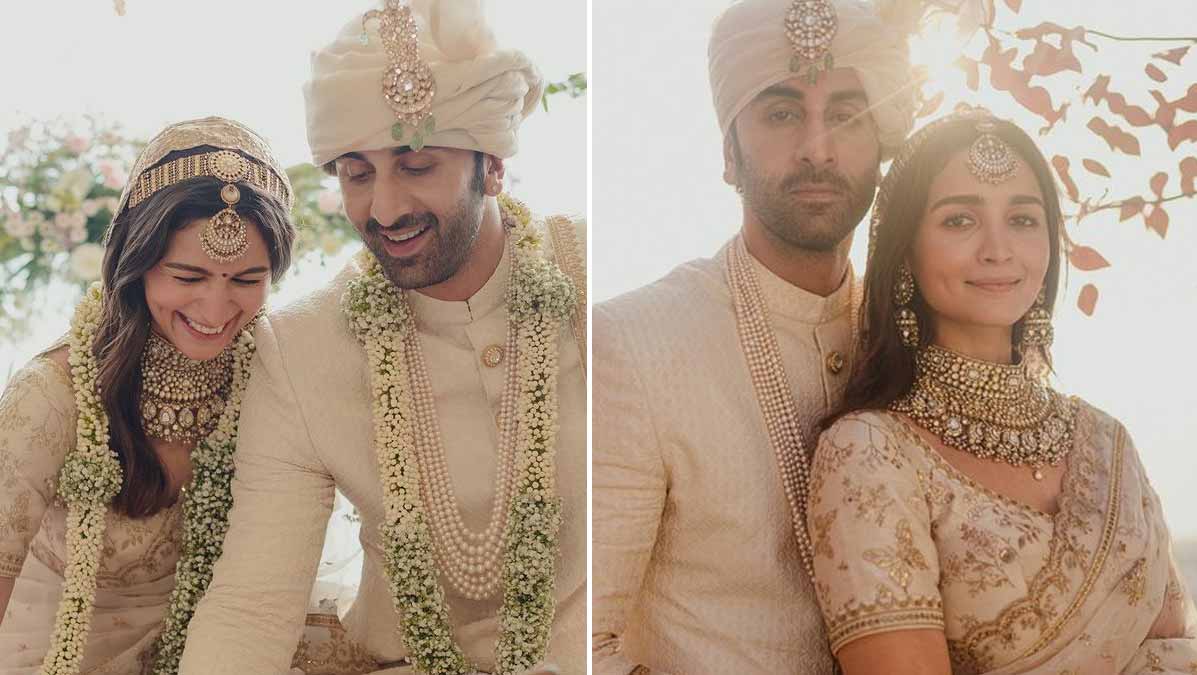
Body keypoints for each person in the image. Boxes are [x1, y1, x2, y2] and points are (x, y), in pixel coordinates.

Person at [177, 1, 587, 674]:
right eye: (358, 174)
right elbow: (251, 605)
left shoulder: (585, 275)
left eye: (417, 164)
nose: (385, 209)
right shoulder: (303, 347)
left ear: (491, 164)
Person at [591, 0, 923, 671]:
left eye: (847, 114)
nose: (818, 147)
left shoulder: (913, 338)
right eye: (779, 113)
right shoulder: (635, 343)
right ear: (728, 153)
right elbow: (584, 640)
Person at [808, 107, 1197, 674]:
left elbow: (1176, 649)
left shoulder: (1108, 443)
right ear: (905, 254)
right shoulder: (868, 452)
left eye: (1022, 219)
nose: (998, 249)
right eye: (959, 221)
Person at [0, 116, 296, 674]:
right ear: (133, 266)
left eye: (245, 279)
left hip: (224, 646)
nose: (216, 309)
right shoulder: (52, 397)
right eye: (188, 277)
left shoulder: (272, 377)